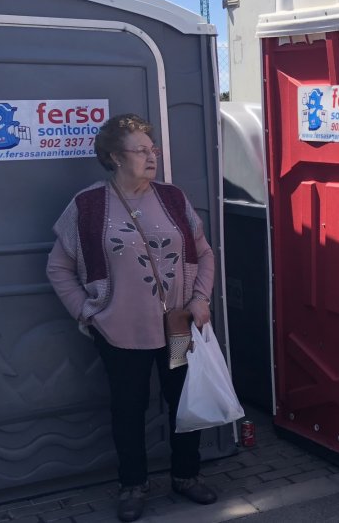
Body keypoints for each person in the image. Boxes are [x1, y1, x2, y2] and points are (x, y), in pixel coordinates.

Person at [46, 113, 217, 522]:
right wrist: (88, 312)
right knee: (128, 407)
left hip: (177, 327)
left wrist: (200, 298)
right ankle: (133, 485)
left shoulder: (173, 198)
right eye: (140, 150)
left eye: (152, 148)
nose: (151, 156)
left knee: (183, 402)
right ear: (113, 157)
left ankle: (186, 475)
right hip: (121, 332)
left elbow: (204, 251)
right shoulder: (87, 205)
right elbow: (58, 268)